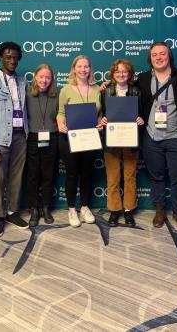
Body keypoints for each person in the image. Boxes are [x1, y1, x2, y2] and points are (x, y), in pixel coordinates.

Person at [136, 41, 177, 230]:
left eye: (162, 54)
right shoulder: (143, 78)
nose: (159, 57)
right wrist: (105, 87)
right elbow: (125, 91)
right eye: (154, 55)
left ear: (169, 56)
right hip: (151, 137)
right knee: (157, 176)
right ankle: (160, 210)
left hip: (175, 136)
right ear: (150, 59)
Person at [0, 41, 28, 238]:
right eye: (8, 57)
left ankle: (12, 212)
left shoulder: (23, 82)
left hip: (20, 136)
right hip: (1, 138)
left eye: (15, 57)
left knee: (16, 177)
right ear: (0, 57)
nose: (12, 60)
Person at [57, 55, 102, 227]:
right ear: (74, 69)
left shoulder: (97, 89)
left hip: (90, 138)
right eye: (80, 66)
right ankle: (71, 209)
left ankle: (84, 207)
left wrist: (100, 123)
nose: (83, 70)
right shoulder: (66, 89)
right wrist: (60, 124)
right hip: (70, 139)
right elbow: (60, 112)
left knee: (87, 174)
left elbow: (100, 113)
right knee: (72, 174)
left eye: (86, 66)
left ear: (90, 69)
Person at [100, 59, 144, 227]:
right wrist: (102, 119)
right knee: (112, 177)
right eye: (117, 72)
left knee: (130, 176)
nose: (121, 74)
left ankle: (128, 210)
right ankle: (114, 210)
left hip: (130, 138)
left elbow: (142, 113)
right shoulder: (105, 90)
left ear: (129, 74)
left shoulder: (136, 91)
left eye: (124, 71)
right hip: (111, 139)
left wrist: (141, 119)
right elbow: (101, 112)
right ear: (113, 74)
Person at [26, 64, 59, 226]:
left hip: (51, 137)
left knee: (48, 174)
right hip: (32, 137)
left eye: (47, 77)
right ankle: (34, 208)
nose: (44, 80)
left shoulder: (56, 94)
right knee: (32, 175)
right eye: (41, 77)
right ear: (35, 77)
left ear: (51, 79)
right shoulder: (26, 93)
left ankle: (46, 207)